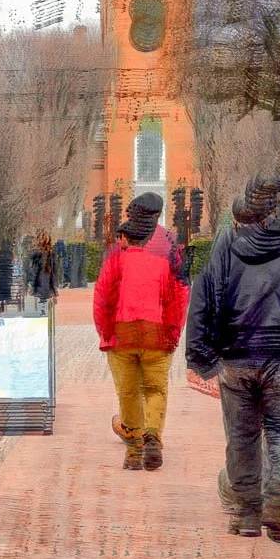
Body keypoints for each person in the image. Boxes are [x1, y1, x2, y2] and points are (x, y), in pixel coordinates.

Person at [187, 171, 280, 543]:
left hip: (235, 356)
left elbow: (205, 300)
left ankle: (248, 514)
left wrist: (201, 355)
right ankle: (276, 497)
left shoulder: (226, 249)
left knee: (242, 435)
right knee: (279, 428)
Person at [94, 194, 188, 471]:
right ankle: (153, 436)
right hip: (157, 333)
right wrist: (174, 332)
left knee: (129, 391)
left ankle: (134, 451)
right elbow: (179, 295)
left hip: (121, 334)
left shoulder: (117, 254)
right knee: (156, 389)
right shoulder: (170, 248)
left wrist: (105, 332)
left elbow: (102, 297)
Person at [29, 229, 60, 301]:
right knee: (44, 308)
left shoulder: (36, 253)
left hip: (38, 288)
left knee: (41, 307)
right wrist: (55, 292)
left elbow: (32, 271)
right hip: (46, 288)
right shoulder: (50, 254)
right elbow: (53, 274)